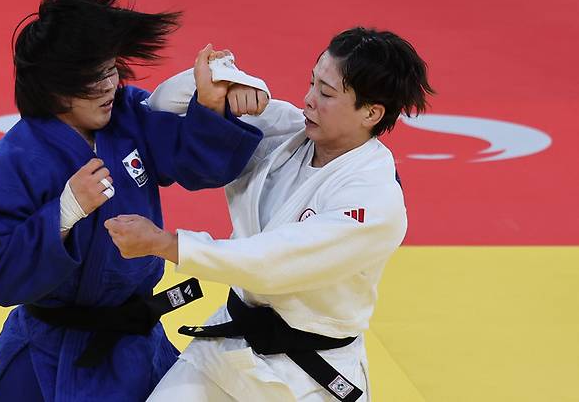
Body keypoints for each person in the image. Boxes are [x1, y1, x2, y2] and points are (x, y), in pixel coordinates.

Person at [0, 0, 267, 401]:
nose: (109, 87)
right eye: (93, 80)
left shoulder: (129, 113)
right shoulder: (12, 161)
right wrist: (64, 212)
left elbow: (199, 164)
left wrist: (213, 106)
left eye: (111, 71)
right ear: (55, 89)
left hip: (133, 347)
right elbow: (2, 276)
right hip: (48, 356)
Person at [105, 26, 435, 401]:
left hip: (308, 377)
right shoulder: (285, 130)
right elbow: (162, 105)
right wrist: (227, 80)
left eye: (326, 93)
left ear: (371, 113)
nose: (308, 99)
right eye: (312, 83)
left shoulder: (374, 200)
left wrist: (167, 244)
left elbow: (271, 263)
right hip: (226, 353)